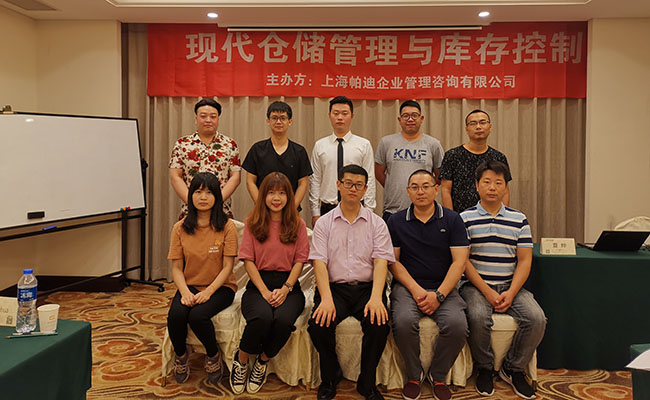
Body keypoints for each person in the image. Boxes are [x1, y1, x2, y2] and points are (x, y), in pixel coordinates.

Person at [459, 160, 546, 399]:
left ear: (506, 187)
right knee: (478, 316)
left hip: (510, 285)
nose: (492, 187)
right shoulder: (464, 218)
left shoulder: (519, 219)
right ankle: (485, 368)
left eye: (498, 183)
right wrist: (487, 291)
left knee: (537, 318)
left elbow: (525, 261)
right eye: (487, 182)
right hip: (475, 286)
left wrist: (511, 291)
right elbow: (462, 261)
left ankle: (513, 368)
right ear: (477, 185)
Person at [308, 164, 395, 400]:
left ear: (365, 189)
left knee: (379, 325)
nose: (353, 189)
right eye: (348, 183)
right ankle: (330, 376)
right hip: (334, 289)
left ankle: (367, 382)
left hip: (367, 289)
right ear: (338, 185)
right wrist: (326, 299)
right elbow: (319, 263)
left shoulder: (377, 223)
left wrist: (376, 298)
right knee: (318, 325)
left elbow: (381, 263)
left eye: (358, 185)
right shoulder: (324, 223)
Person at [387, 169, 469, 400]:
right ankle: (414, 375)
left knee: (457, 325)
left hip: (444, 286)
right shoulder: (396, 221)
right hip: (408, 287)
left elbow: (459, 262)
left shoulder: (452, 219)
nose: (420, 191)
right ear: (408, 191)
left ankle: (438, 375)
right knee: (403, 321)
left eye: (425, 186)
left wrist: (439, 295)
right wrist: (416, 290)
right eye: (414, 187)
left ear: (436, 189)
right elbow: (393, 262)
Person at [230, 172, 309, 394]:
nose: (276, 198)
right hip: (258, 285)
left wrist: (286, 289)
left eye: (282, 193)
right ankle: (241, 359)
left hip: (289, 286)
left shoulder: (298, 224)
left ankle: (262, 361)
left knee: (283, 320)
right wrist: (264, 291)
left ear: (289, 196)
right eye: (271, 192)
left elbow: (300, 261)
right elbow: (248, 260)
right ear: (263, 195)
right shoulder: (253, 222)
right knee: (262, 318)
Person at [166, 172, 238, 386]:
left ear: (217, 196)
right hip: (189, 285)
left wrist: (208, 292)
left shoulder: (227, 226)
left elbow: (228, 267)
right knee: (176, 315)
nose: (203, 197)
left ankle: (213, 355)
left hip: (221, 287)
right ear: (191, 196)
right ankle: (181, 356)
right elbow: (176, 268)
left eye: (209, 192)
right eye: (198, 192)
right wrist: (185, 293)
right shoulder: (180, 228)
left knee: (198, 316)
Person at [169, 98, 241, 218]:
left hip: (221, 210)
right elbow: (175, 177)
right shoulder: (182, 144)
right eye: (203, 116)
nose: (208, 120)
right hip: (190, 211)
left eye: (213, 117)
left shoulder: (229, 144)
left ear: (218, 120)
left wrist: (217, 201)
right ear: (196, 119)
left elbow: (235, 177)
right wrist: (192, 202)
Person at [309, 96, 376, 226]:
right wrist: (315, 212)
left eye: (344, 113)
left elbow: (370, 179)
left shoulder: (364, 145)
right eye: (336, 113)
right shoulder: (320, 145)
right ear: (329, 116)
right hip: (328, 208)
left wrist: (369, 210)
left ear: (352, 116)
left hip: (356, 207)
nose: (340, 117)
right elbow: (315, 180)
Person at [375, 100, 444, 222]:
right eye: (406, 116)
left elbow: (439, 175)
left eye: (414, 115)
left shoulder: (433, 144)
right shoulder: (386, 142)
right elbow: (378, 172)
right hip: (393, 210)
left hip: (424, 212)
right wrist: (394, 185)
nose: (410, 119)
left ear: (421, 119)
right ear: (399, 119)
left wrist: (424, 189)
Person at [242, 101, 312, 209]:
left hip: (291, 211)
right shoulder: (257, 149)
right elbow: (250, 181)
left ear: (290, 121)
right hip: (263, 211)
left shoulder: (299, 151)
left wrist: (291, 208)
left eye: (283, 118)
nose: (278, 122)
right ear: (268, 121)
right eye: (274, 118)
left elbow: (303, 183)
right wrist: (262, 206)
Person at [440, 109, 511, 213]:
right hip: (460, 216)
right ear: (466, 129)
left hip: (492, 216)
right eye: (473, 123)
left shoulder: (499, 157)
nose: (478, 127)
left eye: (483, 122)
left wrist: (503, 216)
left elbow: (505, 191)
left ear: (490, 127)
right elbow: (445, 190)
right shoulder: (452, 155)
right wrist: (451, 218)